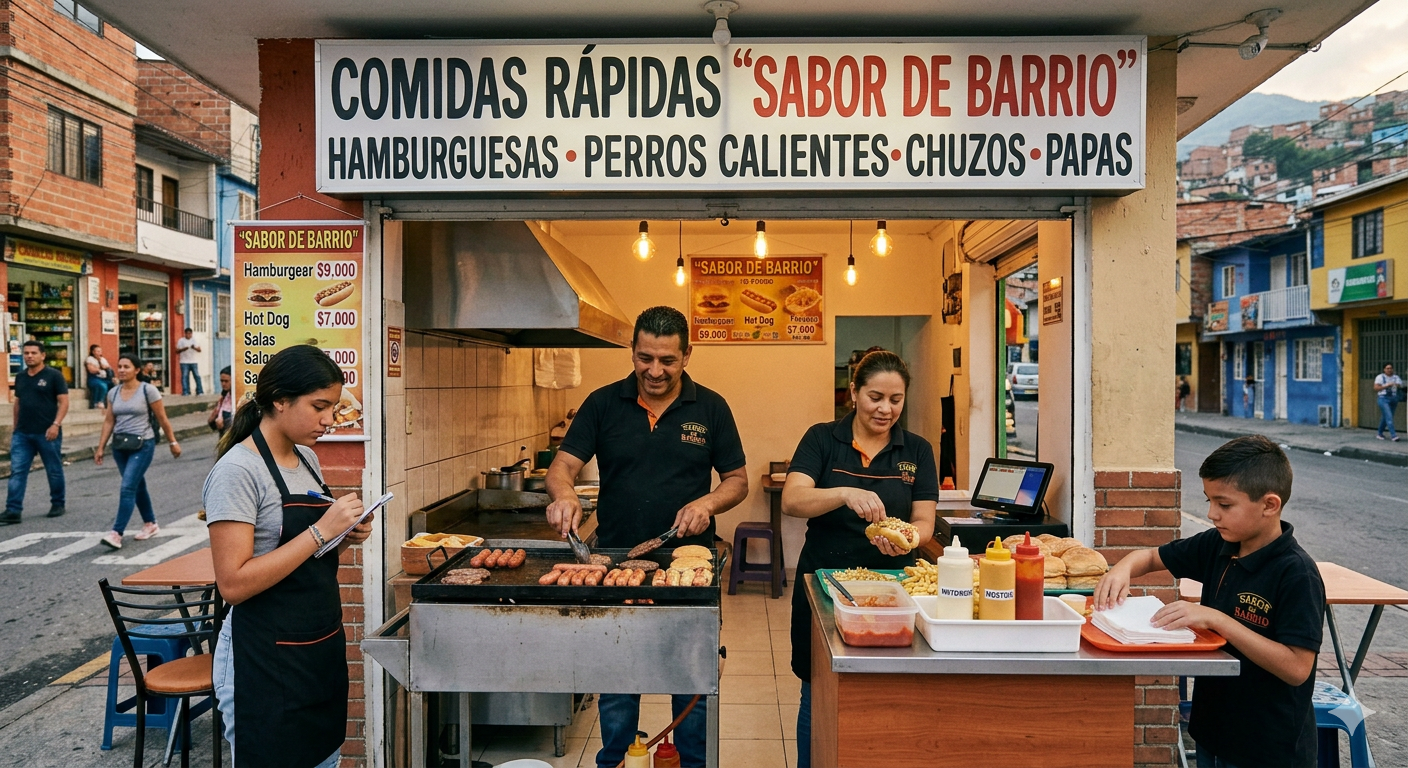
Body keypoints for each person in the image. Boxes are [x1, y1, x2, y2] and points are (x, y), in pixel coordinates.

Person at [544, 306, 748, 768]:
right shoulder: (602, 403)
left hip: (688, 566)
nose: (654, 371)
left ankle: (694, 762)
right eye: (644, 358)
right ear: (633, 352)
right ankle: (616, 760)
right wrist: (564, 496)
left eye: (667, 361)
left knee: (691, 679)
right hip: (616, 564)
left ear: (687, 356)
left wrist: (708, 504)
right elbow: (563, 467)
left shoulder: (711, 407)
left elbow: (737, 479)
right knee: (617, 681)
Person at [1095, 436, 1324, 768]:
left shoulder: (1297, 573)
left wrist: (1216, 619)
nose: (1212, 514)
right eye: (1209, 501)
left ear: (1269, 505)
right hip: (1213, 731)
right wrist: (1122, 569)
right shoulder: (1217, 543)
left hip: (1268, 746)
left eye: (1224, 504)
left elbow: (1296, 668)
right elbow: (1148, 556)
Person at [204, 345, 372, 767]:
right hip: (263, 658)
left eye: (333, 407)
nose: (329, 420)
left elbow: (300, 552)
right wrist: (321, 531)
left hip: (317, 648)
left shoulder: (307, 458)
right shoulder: (237, 471)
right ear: (279, 400)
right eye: (319, 407)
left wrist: (344, 536)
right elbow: (234, 584)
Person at [780, 350, 938, 768]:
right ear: (853, 392)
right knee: (818, 691)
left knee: (889, 697)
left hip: (893, 595)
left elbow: (924, 521)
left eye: (896, 399)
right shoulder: (822, 439)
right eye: (875, 397)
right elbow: (793, 500)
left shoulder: (917, 451)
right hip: (824, 590)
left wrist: (908, 540)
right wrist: (843, 493)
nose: (886, 409)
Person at [95, 354, 182, 549]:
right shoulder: (113, 392)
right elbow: (109, 420)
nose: (122, 370)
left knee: (127, 487)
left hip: (143, 444)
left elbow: (162, 418)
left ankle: (116, 533)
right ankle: (150, 523)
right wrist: (101, 447)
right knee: (136, 485)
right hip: (120, 446)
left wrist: (172, 442)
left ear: (137, 370)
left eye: (127, 366)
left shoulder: (148, 390)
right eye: (119, 366)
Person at [1, 341, 69, 524]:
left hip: (47, 432)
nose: (29, 356)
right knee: (17, 471)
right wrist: (15, 428)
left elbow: (64, 402)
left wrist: (56, 424)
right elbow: (18, 403)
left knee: (53, 470)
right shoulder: (21, 377)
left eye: (33, 353)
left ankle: (58, 503)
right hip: (23, 434)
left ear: (43, 355)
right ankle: (13, 510)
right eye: (26, 353)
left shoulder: (54, 376)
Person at [1373, 362, 1402, 441]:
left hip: (1394, 398)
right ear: (1384, 369)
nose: (1389, 370)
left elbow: (1401, 385)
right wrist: (1386, 385)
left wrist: (1396, 384)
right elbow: (1376, 388)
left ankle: (1379, 433)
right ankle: (1393, 435)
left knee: (1386, 417)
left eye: (1390, 368)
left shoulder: (1396, 377)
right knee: (1389, 416)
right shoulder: (1380, 377)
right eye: (1387, 368)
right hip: (1383, 398)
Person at [85, 344, 115, 409]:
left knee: (113, 385)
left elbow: (108, 367)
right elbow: (91, 370)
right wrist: (99, 369)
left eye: (100, 351)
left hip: (105, 378)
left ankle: (111, 403)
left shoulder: (103, 359)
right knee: (102, 386)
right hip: (94, 378)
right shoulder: (90, 359)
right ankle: (99, 402)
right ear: (93, 352)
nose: (99, 353)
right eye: (97, 351)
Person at [177, 327, 204, 395]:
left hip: (193, 361)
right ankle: (186, 391)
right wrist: (183, 349)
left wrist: (194, 347)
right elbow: (176, 351)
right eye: (187, 334)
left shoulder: (194, 340)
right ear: (185, 334)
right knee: (185, 376)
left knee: (197, 376)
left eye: (190, 334)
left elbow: (199, 350)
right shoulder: (181, 340)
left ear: (191, 334)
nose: (189, 335)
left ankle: (199, 391)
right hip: (184, 362)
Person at [209, 366, 234, 437]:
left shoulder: (238, 399)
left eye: (226, 381)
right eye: (221, 381)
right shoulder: (224, 398)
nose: (223, 384)